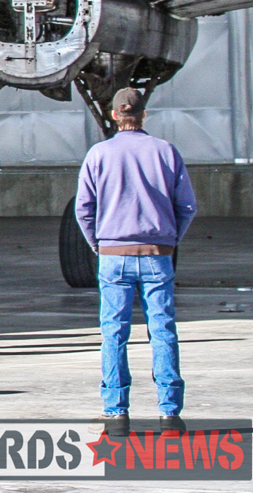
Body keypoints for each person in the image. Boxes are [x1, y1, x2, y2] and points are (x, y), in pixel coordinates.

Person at [75, 87, 197, 434]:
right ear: (143, 115)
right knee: (163, 331)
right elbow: (187, 206)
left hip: (114, 256)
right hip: (158, 254)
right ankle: (170, 413)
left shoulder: (98, 154)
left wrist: (99, 244)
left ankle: (116, 412)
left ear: (115, 116)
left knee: (114, 333)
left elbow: (84, 208)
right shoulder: (166, 152)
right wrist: (169, 240)